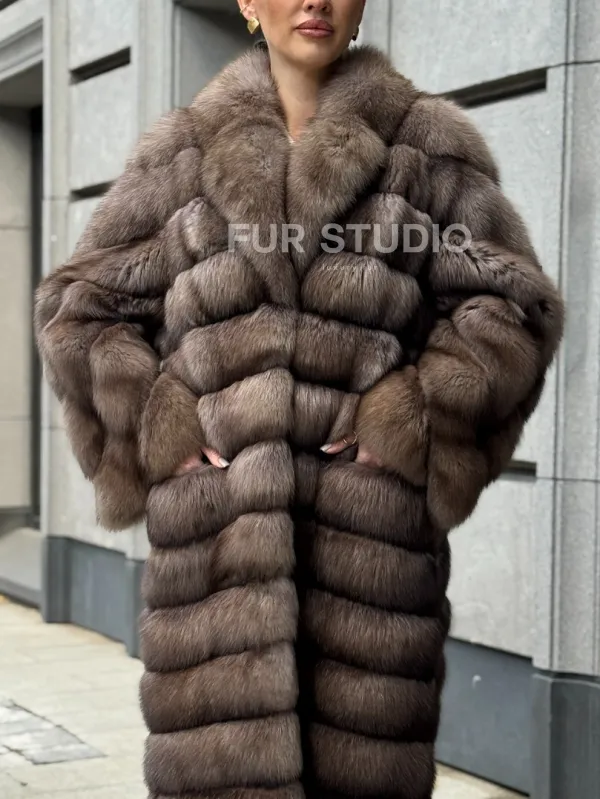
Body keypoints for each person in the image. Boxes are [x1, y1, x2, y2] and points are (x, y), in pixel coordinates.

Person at [33, 0, 564, 796]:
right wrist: (157, 424)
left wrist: (412, 419)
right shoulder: (182, 153)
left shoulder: (424, 146)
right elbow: (78, 311)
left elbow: (514, 305)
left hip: (369, 556)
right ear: (248, 3)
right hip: (218, 561)